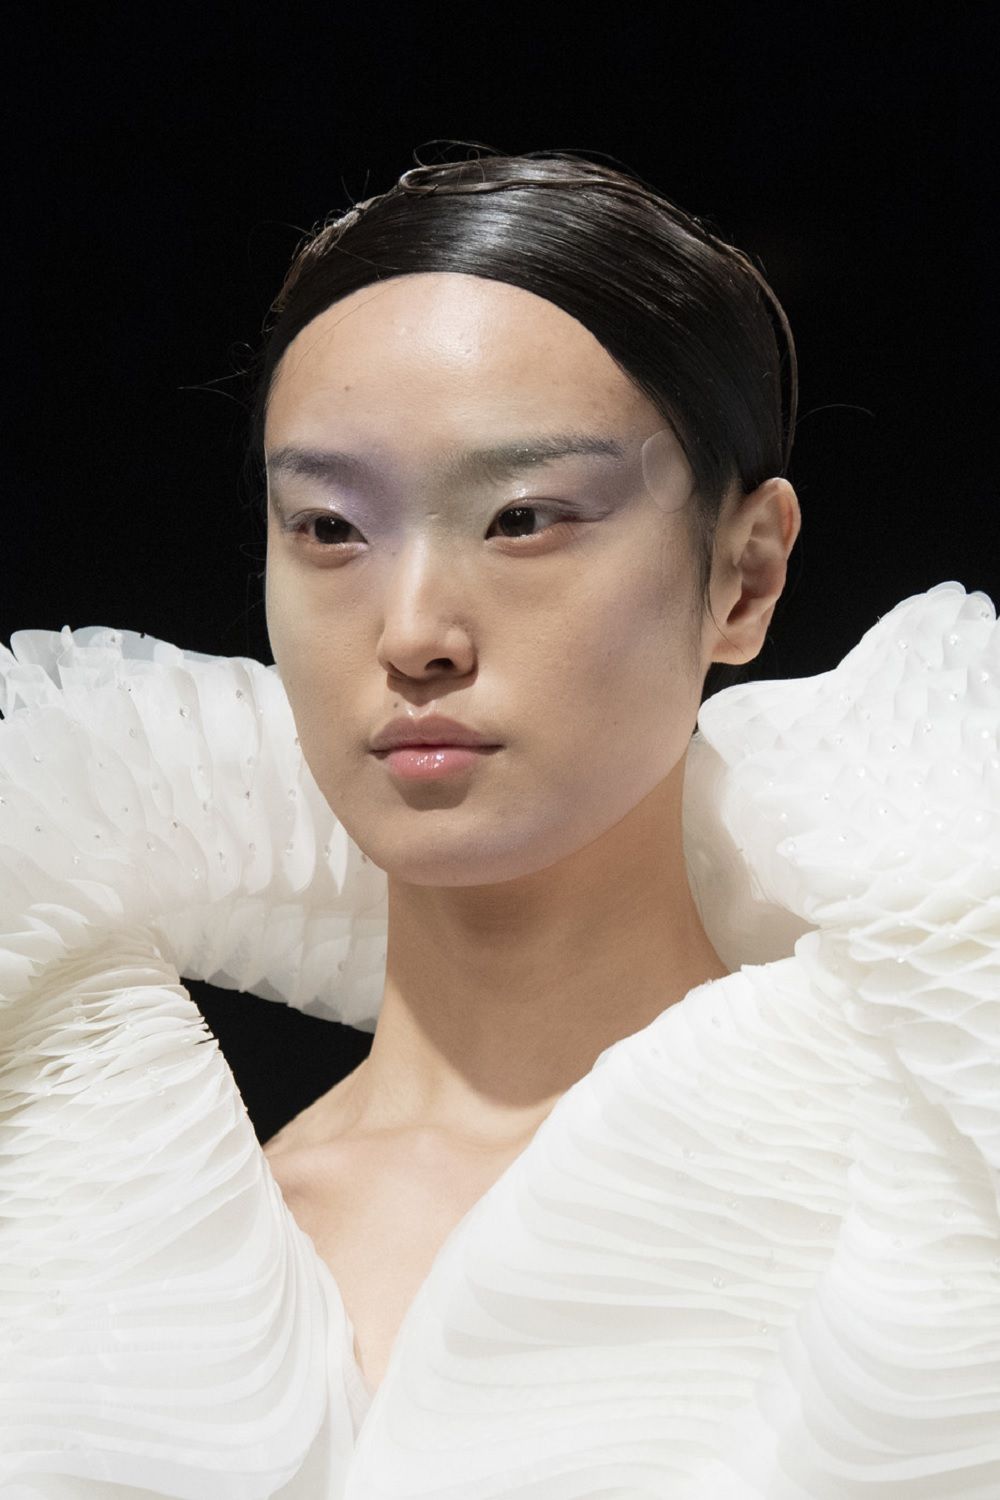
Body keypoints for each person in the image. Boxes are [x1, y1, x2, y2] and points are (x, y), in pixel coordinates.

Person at [1, 149, 997, 1498]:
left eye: (523, 518)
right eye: (330, 528)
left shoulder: (941, 1180)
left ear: (746, 575)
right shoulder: (82, 1245)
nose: (413, 631)